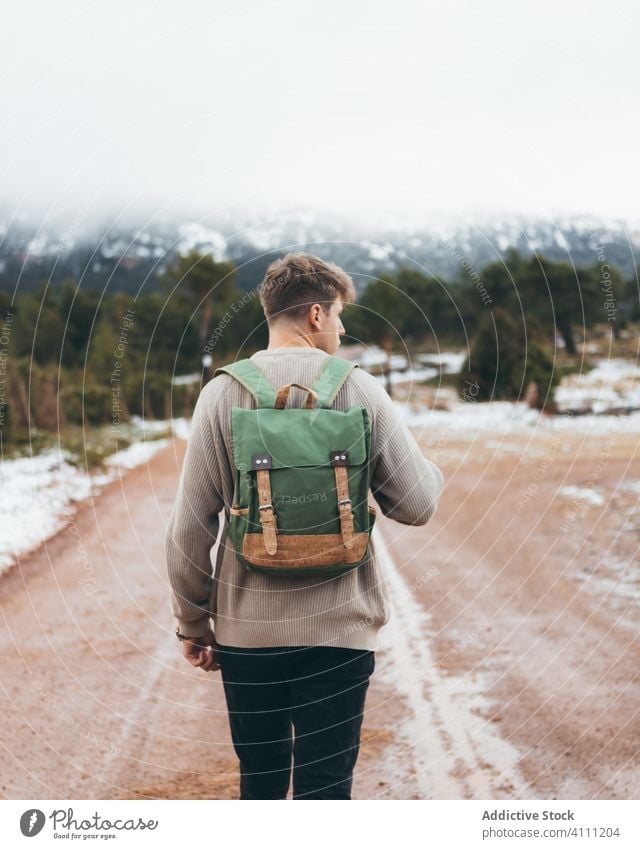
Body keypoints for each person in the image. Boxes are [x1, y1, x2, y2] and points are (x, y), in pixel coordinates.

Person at [165, 252, 445, 799]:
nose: (341, 329)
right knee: (326, 789)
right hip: (339, 633)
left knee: (262, 786)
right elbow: (417, 503)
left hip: (249, 635)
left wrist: (193, 625)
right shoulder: (358, 390)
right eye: (339, 315)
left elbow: (189, 527)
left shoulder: (221, 394)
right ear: (315, 314)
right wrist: (423, 465)